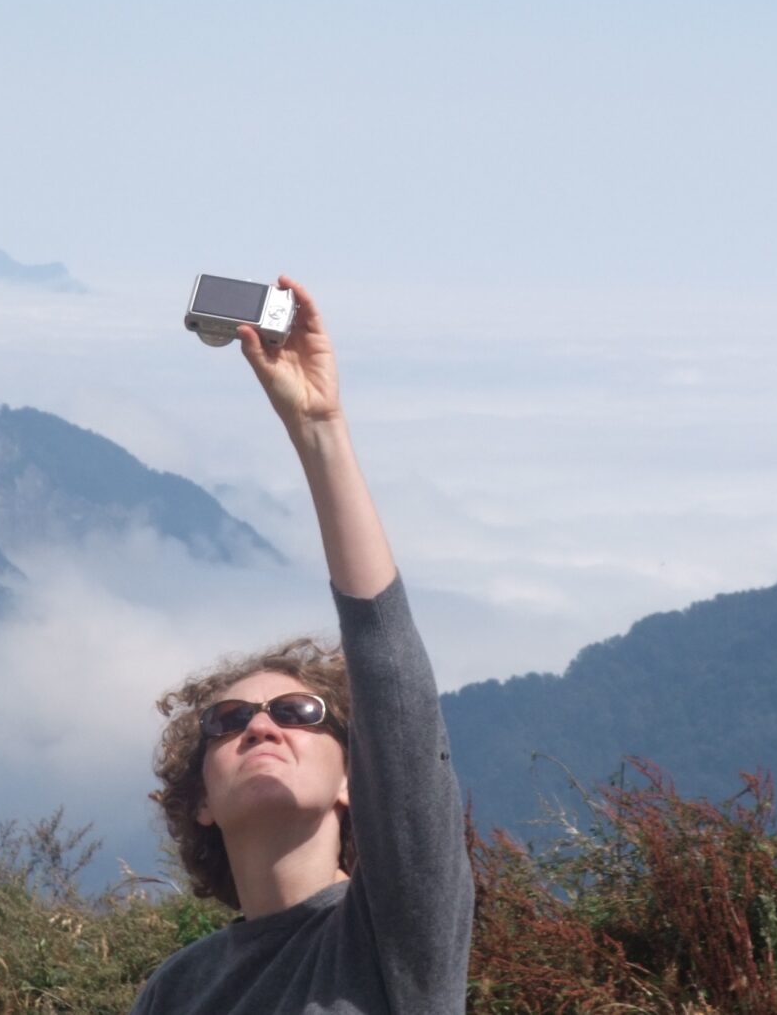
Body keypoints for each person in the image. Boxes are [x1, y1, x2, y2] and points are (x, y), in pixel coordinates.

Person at [131, 276, 474, 1015]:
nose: (261, 724)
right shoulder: (176, 991)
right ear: (202, 806)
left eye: (299, 711)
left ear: (356, 778)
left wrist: (320, 430)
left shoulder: (396, 937)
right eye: (228, 722)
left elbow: (393, 687)